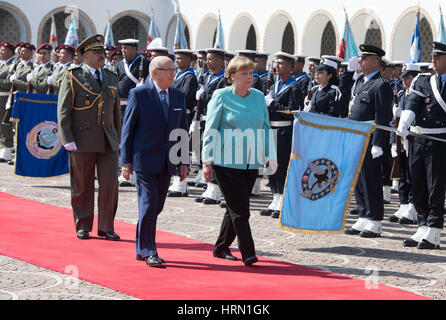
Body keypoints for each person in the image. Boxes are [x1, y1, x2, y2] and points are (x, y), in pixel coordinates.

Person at [202, 56, 277, 266]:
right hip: (225, 161)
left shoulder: (259, 97)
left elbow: (265, 127)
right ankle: (248, 251)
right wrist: (207, 160)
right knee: (241, 209)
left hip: (250, 161)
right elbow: (211, 129)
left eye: (251, 73)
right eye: (244, 73)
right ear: (232, 75)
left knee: (234, 207)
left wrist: (271, 154)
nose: (249, 77)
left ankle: (221, 246)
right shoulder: (221, 96)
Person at [120, 56, 189, 267]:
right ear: (155, 73)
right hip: (144, 160)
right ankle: (149, 250)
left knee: (156, 206)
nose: (173, 73)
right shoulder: (139, 94)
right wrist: (125, 162)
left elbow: (182, 130)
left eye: (173, 69)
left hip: (168, 161)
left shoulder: (178, 96)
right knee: (149, 204)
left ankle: (142, 246)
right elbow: (128, 129)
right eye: (169, 70)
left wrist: (183, 161)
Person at [57, 34, 122, 241]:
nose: (101, 56)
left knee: (110, 183)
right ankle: (83, 224)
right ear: (85, 56)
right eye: (96, 53)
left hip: (108, 140)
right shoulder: (73, 75)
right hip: (82, 139)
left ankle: (106, 226)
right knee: (82, 184)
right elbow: (63, 110)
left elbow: (115, 112)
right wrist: (67, 138)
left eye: (102, 52)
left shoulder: (111, 76)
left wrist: (118, 137)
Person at [396, 41, 446, 249]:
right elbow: (412, 104)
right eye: (433, 56)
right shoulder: (422, 80)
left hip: (440, 140)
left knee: (435, 186)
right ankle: (422, 225)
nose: (433, 60)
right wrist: (405, 122)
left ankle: (434, 230)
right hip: (419, 138)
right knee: (417, 183)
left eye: (439, 57)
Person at [344, 44, 393, 238]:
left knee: (371, 179)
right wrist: (348, 73)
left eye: (365, 59)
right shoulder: (360, 81)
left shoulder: (381, 84)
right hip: (356, 134)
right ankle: (363, 214)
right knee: (359, 178)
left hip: (371, 135)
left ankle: (375, 220)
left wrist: (378, 143)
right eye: (361, 59)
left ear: (375, 62)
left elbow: (383, 117)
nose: (361, 61)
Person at [261, 52, 304, 218]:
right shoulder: (273, 85)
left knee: (281, 167)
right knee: (271, 166)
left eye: (281, 64)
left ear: (290, 67)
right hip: (271, 129)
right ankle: (275, 197)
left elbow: (293, 111)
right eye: (276, 63)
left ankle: (283, 199)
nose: (276, 67)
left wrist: (273, 103)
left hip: (284, 132)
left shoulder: (294, 87)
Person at [194, 48, 227, 204]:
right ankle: (209, 187)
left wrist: (205, 95)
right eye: (207, 59)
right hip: (205, 118)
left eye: (211, 59)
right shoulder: (207, 77)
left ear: (221, 61)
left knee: (215, 154)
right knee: (205, 150)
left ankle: (215, 189)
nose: (207, 62)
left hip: (217, 120)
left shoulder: (224, 79)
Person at [115, 38, 150, 187]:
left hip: (138, 107)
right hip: (121, 107)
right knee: (123, 139)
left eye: (126, 48)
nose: (123, 51)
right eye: (122, 48)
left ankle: (135, 172)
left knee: (135, 139)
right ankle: (125, 170)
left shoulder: (145, 64)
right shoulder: (119, 65)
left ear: (135, 49)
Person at [388, 63, 420, 224]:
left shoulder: (418, 94)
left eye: (409, 77)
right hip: (401, 139)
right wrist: (394, 141)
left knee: (413, 175)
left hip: (413, 139)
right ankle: (403, 204)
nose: (405, 80)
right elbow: (393, 120)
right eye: (404, 77)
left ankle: (413, 207)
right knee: (402, 175)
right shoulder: (401, 94)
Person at [167, 49, 198, 198]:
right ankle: (176, 181)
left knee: (181, 149)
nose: (177, 61)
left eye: (180, 59)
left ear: (188, 60)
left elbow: (184, 95)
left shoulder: (190, 76)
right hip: (175, 114)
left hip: (183, 116)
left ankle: (182, 183)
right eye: (176, 59)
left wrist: (170, 90)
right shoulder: (178, 74)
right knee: (175, 148)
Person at [0, 41, 16, 163]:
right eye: (1, 50)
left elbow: (9, 83)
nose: (1, 52)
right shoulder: (1, 64)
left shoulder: (12, 65)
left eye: (4, 50)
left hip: (5, 97)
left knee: (5, 124)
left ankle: (7, 149)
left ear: (10, 52)